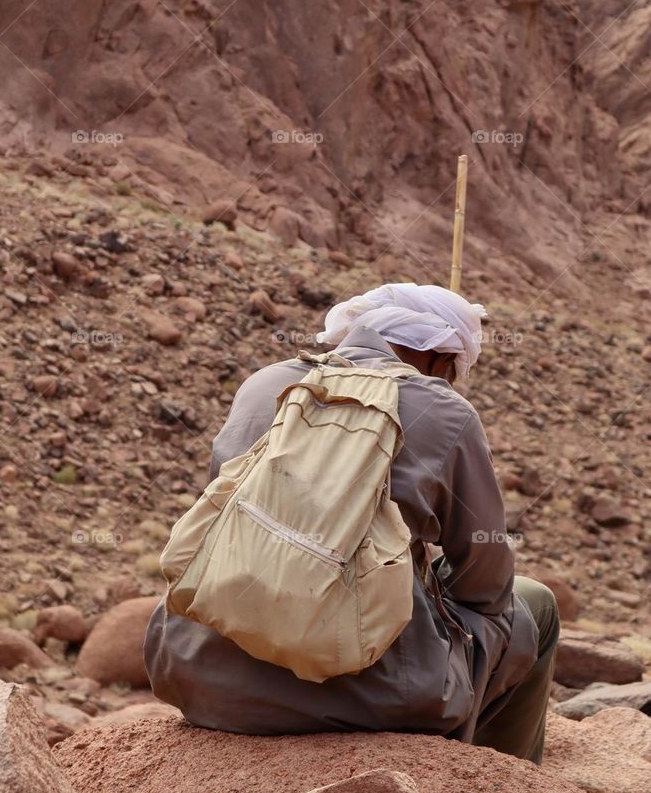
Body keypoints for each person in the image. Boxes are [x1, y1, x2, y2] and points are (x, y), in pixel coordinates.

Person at [144, 282, 559, 764]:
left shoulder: (264, 384)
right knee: (533, 607)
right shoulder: (446, 411)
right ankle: (497, 785)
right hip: (371, 700)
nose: (451, 384)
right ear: (440, 359)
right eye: (453, 372)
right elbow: (486, 584)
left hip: (200, 677)